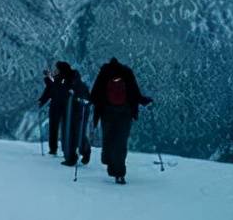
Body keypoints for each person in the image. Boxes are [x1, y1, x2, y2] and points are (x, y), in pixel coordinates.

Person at [90, 57, 153, 185]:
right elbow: (135, 92)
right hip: (125, 112)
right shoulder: (127, 72)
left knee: (108, 139)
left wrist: (88, 101)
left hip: (107, 112)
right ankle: (119, 174)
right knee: (121, 142)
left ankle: (108, 160)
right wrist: (144, 101)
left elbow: (95, 93)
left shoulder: (104, 72)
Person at [38, 61, 90, 165]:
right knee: (69, 132)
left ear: (61, 69)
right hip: (63, 108)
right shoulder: (63, 78)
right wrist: (42, 100)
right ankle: (72, 154)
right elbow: (51, 89)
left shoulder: (67, 79)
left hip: (69, 110)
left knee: (70, 133)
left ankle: (75, 155)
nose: (54, 70)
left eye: (56, 68)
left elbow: (55, 89)